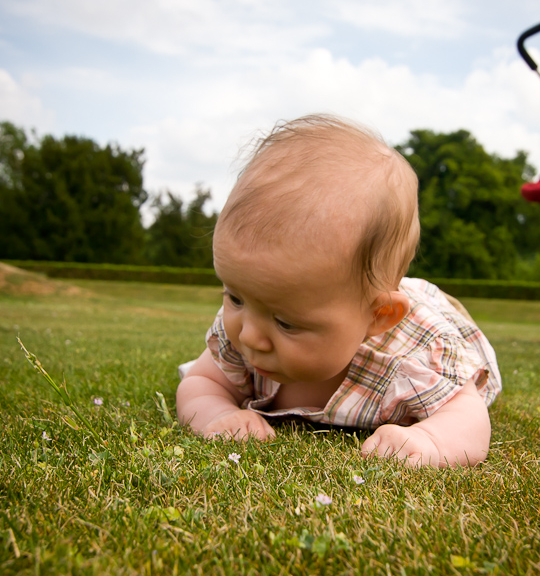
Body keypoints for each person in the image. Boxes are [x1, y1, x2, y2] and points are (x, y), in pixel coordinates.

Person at [176, 114, 501, 468]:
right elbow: (200, 384)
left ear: (377, 316)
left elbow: (468, 417)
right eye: (235, 297)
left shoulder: (412, 359)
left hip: (433, 314)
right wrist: (216, 413)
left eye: (285, 322)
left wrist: (430, 439)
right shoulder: (245, 323)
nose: (250, 335)